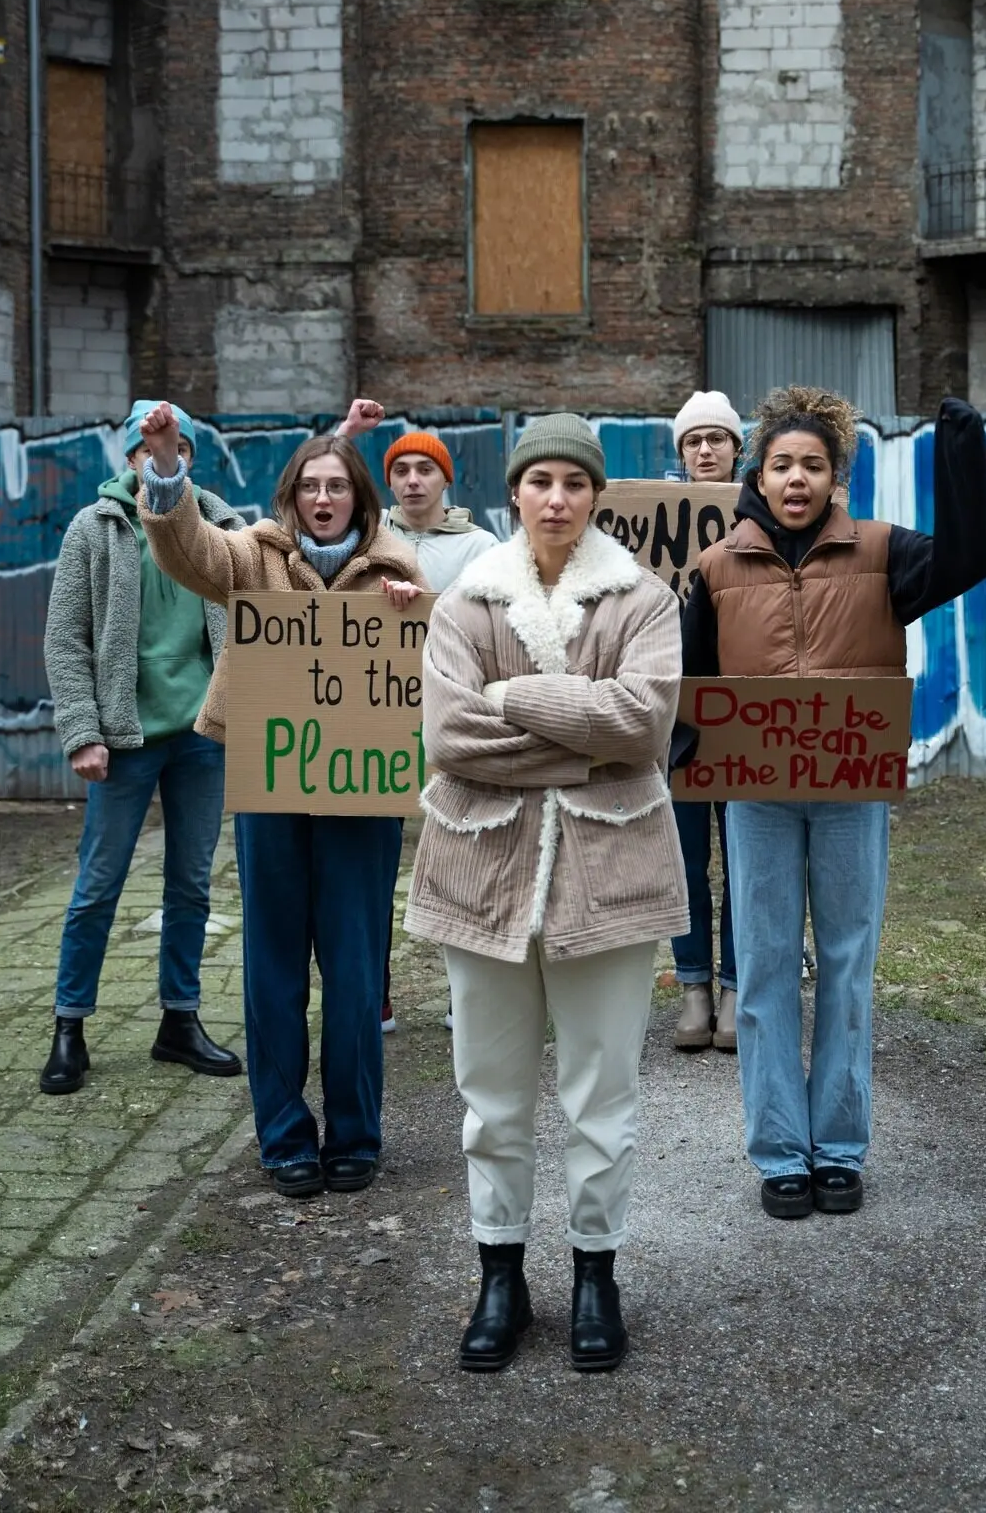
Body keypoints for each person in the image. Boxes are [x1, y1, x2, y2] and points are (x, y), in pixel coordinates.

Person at [405, 413, 687, 1374]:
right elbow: (450, 739)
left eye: (574, 482)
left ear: (595, 495)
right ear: (514, 493)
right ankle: (501, 1274)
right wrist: (582, 731)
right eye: (540, 482)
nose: (556, 498)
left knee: (600, 1090)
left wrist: (514, 700)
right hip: (481, 872)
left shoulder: (643, 597)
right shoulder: (466, 603)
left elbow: (643, 724)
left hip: (609, 873)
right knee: (489, 1094)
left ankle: (596, 1275)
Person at [683, 387, 986, 1221]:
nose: (796, 479)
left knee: (848, 970)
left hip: (849, 797)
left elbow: (970, 556)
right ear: (758, 473)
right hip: (756, 802)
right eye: (782, 464)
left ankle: (840, 1146)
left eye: (813, 466)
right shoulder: (714, 570)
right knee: (762, 972)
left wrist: (959, 448)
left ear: (837, 478)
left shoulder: (883, 552)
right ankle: (781, 1149)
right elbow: (691, 690)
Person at [136, 403, 425, 1199]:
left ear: (360, 500)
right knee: (271, 965)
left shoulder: (398, 566)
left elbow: (423, 667)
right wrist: (166, 470)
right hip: (270, 784)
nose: (324, 498)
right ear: (290, 497)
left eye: (338, 486)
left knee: (358, 968)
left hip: (361, 797)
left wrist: (411, 613)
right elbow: (189, 551)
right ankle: (284, 1134)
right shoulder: (253, 557)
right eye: (310, 487)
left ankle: (356, 1135)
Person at [40, 401, 245, 1096]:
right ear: (130, 457)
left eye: (178, 446)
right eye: (152, 448)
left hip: (201, 738)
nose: (165, 456)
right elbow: (65, 637)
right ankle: (69, 1026)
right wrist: (81, 731)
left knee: (191, 884)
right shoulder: (93, 528)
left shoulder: (219, 523)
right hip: (122, 741)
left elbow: (258, 614)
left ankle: (178, 1022)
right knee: (98, 884)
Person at [336, 401, 499, 1032]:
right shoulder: (367, 539)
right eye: (399, 469)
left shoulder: (481, 546)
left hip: (452, 714)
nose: (411, 480)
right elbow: (297, 513)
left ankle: (469, 993)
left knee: (463, 857)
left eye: (423, 470)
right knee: (372, 868)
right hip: (375, 713)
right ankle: (375, 994)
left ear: (444, 480)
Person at [667, 391, 744, 1052]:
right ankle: (692, 985)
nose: (705, 449)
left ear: (736, 449)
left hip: (748, 712)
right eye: (694, 440)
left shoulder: (767, 512)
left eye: (717, 438)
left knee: (747, 857)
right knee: (683, 859)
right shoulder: (649, 521)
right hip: (673, 715)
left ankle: (735, 987)